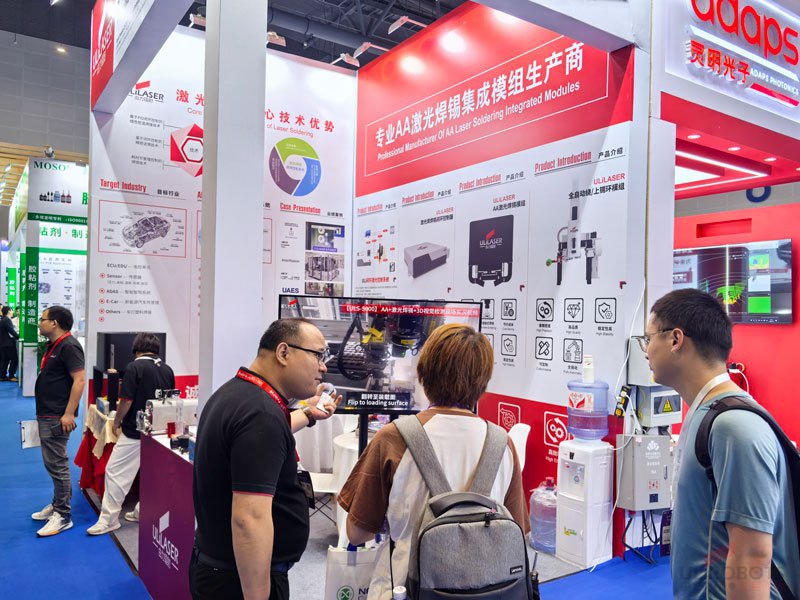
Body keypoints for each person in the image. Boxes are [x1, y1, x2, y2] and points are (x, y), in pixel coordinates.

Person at [338, 323, 529, 599]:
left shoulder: (393, 438)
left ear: (424, 373)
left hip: (406, 587)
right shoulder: (503, 444)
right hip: (490, 588)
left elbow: (357, 534)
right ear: (483, 382)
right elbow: (518, 532)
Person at [641, 289, 799, 599]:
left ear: (675, 339)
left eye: (648, 339)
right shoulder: (706, 415)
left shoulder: (734, 427)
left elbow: (752, 556)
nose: (646, 351)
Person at [190, 318, 341, 600]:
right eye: (318, 355)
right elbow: (249, 519)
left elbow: (269, 432)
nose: (323, 367)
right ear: (283, 352)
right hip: (238, 580)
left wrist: (309, 413)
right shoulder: (261, 414)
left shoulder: (237, 394)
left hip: (219, 567)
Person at [87, 333, 175, 535]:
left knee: (116, 472)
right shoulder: (167, 369)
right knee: (152, 474)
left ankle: (109, 519)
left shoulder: (134, 367)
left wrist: (117, 420)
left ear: (136, 349)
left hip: (135, 430)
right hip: (159, 431)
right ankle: (142, 511)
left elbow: (126, 400)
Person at [31, 306, 85, 537]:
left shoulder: (69, 346)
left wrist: (69, 413)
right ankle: (57, 504)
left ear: (54, 323)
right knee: (53, 463)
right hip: (48, 412)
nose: (39, 323)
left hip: (57, 414)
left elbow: (79, 380)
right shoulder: (55, 345)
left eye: (42, 319)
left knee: (57, 464)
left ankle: (63, 515)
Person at [0, 305, 19, 381]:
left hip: (3, 343)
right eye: (12, 310)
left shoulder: (3, 319)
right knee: (14, 359)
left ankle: (2, 376)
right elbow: (11, 331)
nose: (13, 312)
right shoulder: (7, 320)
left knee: (5, 360)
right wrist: (18, 337)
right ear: (8, 311)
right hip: (8, 344)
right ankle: (11, 376)